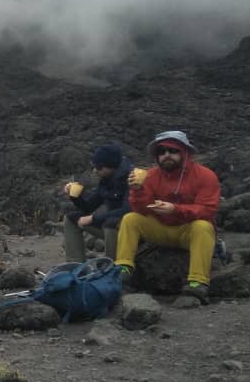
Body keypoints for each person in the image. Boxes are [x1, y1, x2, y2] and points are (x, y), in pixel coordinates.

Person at [115, 130, 220, 308]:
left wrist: (175, 209)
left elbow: (207, 209)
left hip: (187, 232)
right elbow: (141, 209)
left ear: (185, 153)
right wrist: (137, 190)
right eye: (161, 151)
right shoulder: (151, 176)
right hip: (161, 229)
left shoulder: (205, 175)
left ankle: (197, 284)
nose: (166, 155)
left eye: (173, 150)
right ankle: (123, 270)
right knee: (131, 219)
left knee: (203, 226)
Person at [62, 142, 133, 262]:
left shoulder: (131, 178)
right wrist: (75, 196)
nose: (95, 170)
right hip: (110, 227)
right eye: (94, 166)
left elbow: (127, 210)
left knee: (111, 222)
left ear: (111, 166)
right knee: (71, 218)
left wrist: (93, 218)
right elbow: (88, 207)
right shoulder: (106, 179)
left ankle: (111, 265)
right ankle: (75, 264)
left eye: (99, 167)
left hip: (128, 230)